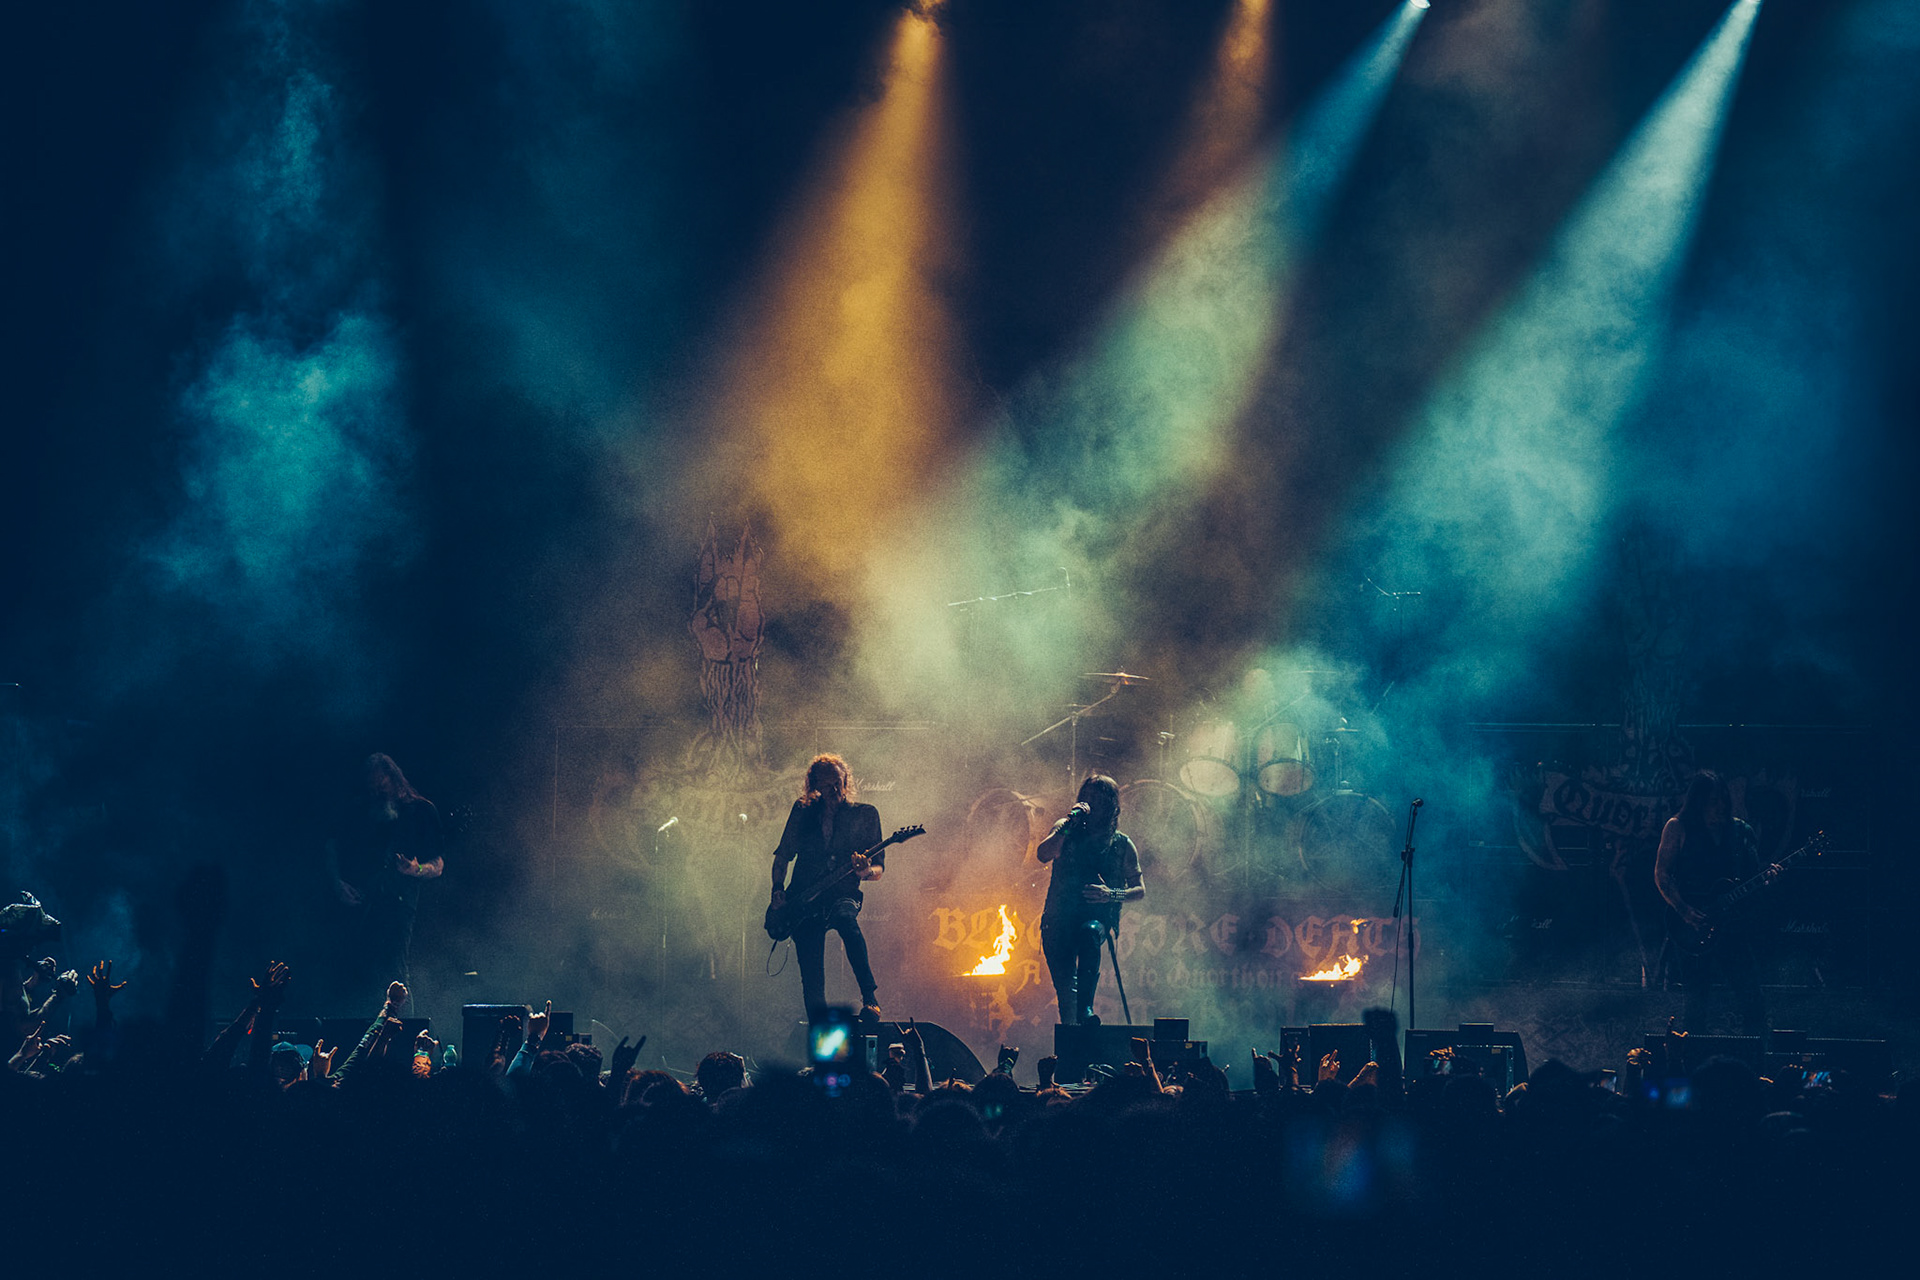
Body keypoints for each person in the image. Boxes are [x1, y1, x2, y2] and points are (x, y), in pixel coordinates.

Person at [1654, 770, 1775, 1033]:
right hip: (1692, 925)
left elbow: (1751, 879)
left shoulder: (1741, 832)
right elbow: (1662, 874)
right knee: (1695, 1004)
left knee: (1752, 1000)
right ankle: (1695, 1066)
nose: (1720, 807)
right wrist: (1683, 910)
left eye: (1723, 799)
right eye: (1712, 801)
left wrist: (1765, 880)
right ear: (1698, 802)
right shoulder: (1678, 827)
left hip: (1732, 927)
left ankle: (1753, 1065)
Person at [769, 754, 884, 1023]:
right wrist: (777, 889)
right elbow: (782, 857)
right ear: (815, 785)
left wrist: (864, 871)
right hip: (803, 899)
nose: (834, 790)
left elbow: (878, 870)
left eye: (839, 783)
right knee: (812, 978)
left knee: (846, 920)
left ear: (846, 781)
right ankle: (819, 1036)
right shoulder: (802, 812)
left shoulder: (865, 814)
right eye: (827, 784)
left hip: (842, 892)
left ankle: (870, 998)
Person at [325, 753, 444, 1002]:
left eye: (382, 784)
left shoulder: (420, 811)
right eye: (373, 785)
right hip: (358, 902)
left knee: (394, 974)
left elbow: (438, 864)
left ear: (394, 779)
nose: (378, 790)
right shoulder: (361, 809)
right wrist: (336, 883)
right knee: (352, 974)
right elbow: (330, 842)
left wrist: (415, 869)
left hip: (398, 903)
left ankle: (402, 1035)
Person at [1035, 774, 1143, 1027]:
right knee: (1065, 992)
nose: (1091, 803)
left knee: (1090, 933)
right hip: (1058, 919)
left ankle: (1086, 1008)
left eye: (1098, 798)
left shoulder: (1121, 844)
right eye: (1087, 797)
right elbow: (1043, 854)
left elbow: (1139, 889)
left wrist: (1111, 894)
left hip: (1094, 918)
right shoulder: (1065, 828)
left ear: (1110, 805)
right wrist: (1070, 821)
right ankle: (1074, 1041)